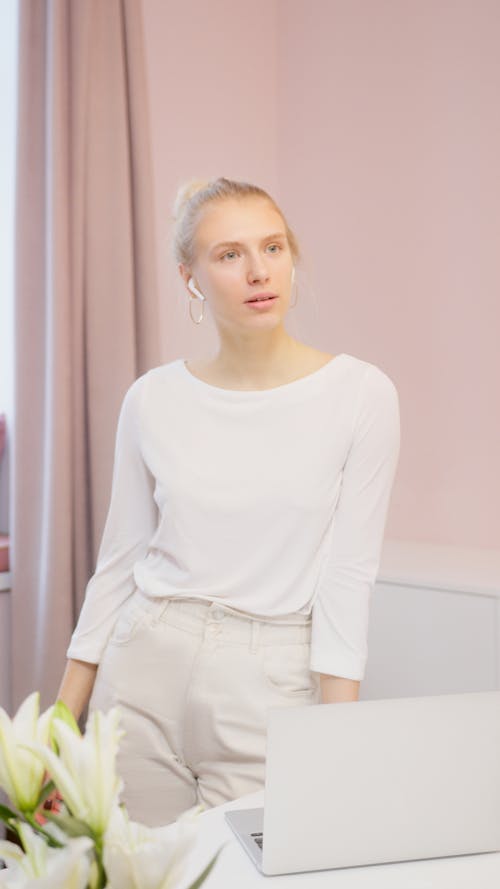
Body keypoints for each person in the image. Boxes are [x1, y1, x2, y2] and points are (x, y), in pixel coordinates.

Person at [56, 176, 401, 827]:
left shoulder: (361, 394)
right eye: (229, 254)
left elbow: (348, 576)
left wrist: (339, 738)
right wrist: (56, 723)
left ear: (292, 257)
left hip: (269, 682)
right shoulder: (152, 398)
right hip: (142, 670)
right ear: (190, 277)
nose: (257, 270)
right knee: (130, 871)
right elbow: (118, 561)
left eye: (272, 247)